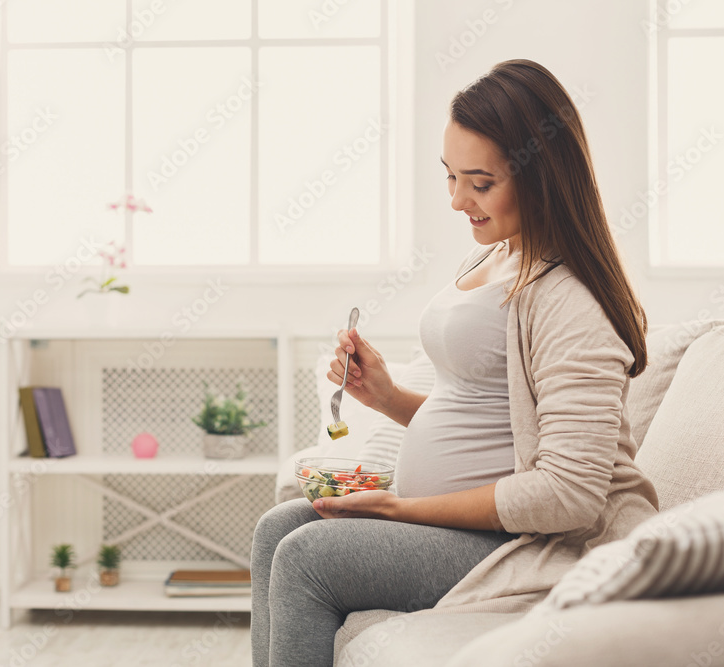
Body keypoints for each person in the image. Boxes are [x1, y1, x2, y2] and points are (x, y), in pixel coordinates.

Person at [250, 59, 659, 667]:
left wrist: (399, 509)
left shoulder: (571, 301)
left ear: (542, 175)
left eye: (480, 182)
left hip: (530, 544)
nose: (457, 200)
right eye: (449, 177)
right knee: (277, 528)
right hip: (470, 528)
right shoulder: (497, 256)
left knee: (309, 555)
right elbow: (487, 420)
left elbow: (571, 496)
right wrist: (385, 395)